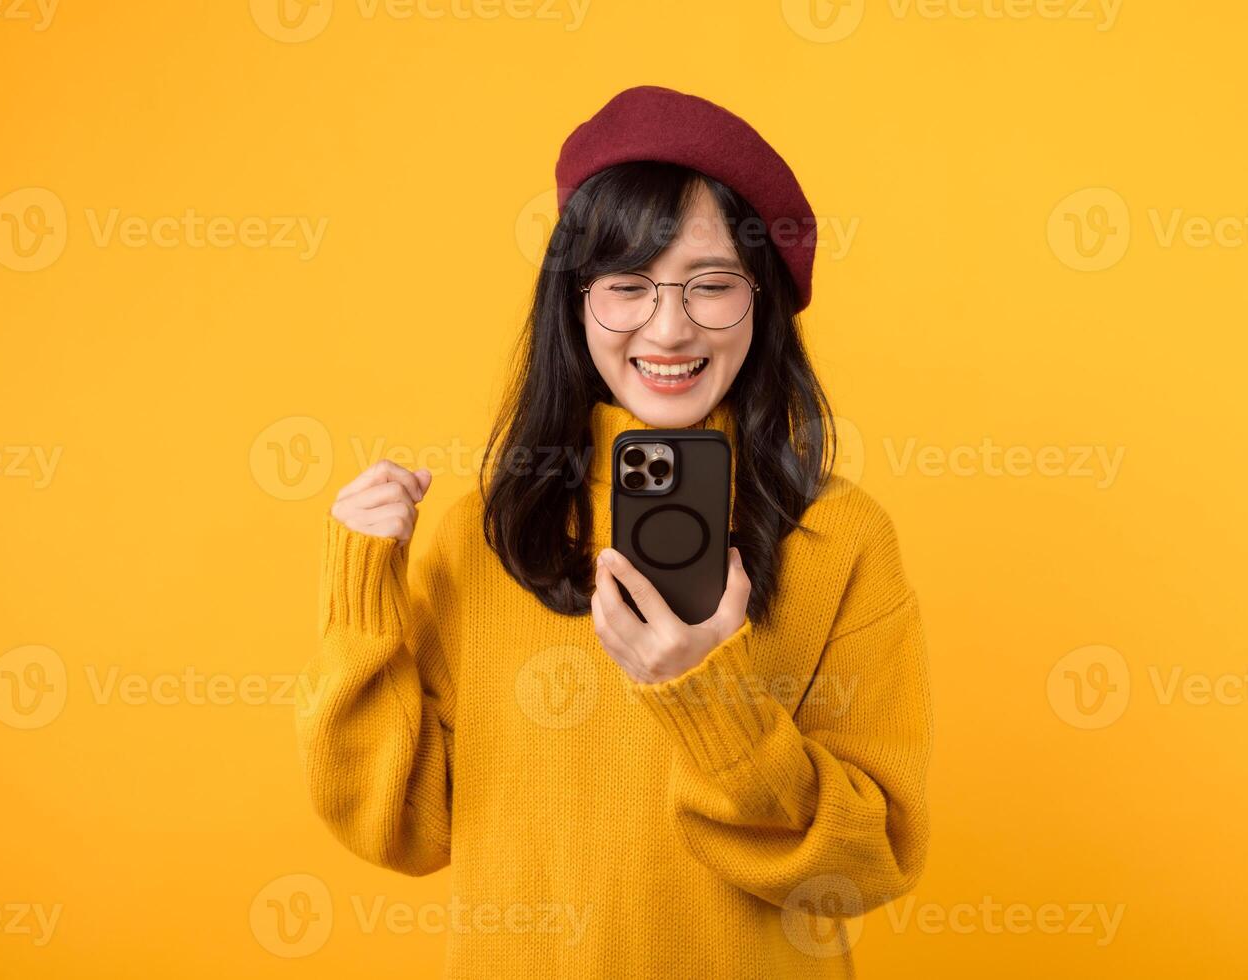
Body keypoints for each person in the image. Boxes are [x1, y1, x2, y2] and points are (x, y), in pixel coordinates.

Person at [297, 84, 932, 979]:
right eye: (628, 285)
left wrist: (708, 700)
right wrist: (363, 593)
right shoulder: (488, 534)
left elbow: (871, 859)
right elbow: (398, 826)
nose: (669, 327)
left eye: (711, 285)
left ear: (763, 304)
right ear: (575, 300)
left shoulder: (840, 537)